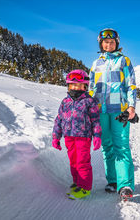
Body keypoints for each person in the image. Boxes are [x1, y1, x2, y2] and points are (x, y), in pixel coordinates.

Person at [88, 28, 137, 200]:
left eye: (112, 42)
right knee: (107, 146)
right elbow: (91, 89)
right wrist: (88, 108)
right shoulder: (96, 64)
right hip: (100, 111)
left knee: (121, 146)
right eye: (105, 42)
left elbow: (130, 85)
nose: (108, 45)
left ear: (117, 43)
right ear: (101, 44)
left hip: (119, 111)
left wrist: (131, 107)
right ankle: (113, 181)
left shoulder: (124, 61)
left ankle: (125, 185)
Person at [52, 69, 102, 199]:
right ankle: (77, 182)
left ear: (85, 86)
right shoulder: (65, 102)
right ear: (68, 86)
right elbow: (59, 119)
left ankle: (85, 188)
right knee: (73, 162)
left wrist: (97, 136)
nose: (75, 88)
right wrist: (56, 137)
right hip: (69, 137)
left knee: (82, 162)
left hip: (83, 138)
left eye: (79, 85)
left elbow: (95, 120)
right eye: (72, 85)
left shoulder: (89, 101)